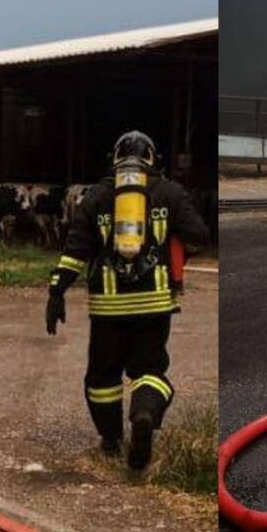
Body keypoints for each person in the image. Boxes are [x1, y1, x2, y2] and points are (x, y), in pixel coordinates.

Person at [46, 130, 209, 471]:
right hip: (154, 304)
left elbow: (76, 250)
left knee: (102, 378)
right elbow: (198, 236)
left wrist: (57, 291)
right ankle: (144, 413)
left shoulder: (96, 196)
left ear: (115, 159)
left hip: (108, 307)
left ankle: (110, 441)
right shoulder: (170, 193)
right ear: (153, 158)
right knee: (150, 370)